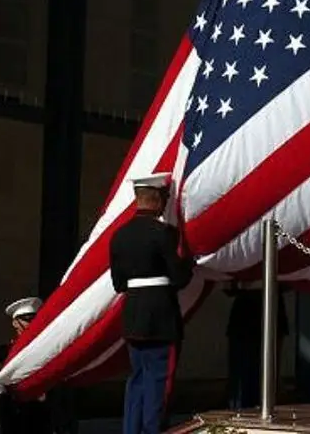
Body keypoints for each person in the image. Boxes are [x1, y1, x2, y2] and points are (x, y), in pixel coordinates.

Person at [109, 172, 196, 434]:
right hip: (160, 316)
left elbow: (118, 283)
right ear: (158, 199)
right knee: (159, 381)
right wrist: (189, 263)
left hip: (133, 314)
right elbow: (179, 278)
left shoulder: (119, 236)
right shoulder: (163, 234)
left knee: (137, 379)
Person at [223, 281, 290, 409]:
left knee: (268, 369)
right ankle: (240, 408)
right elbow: (228, 287)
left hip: (270, 312)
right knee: (241, 372)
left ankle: (264, 405)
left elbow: (292, 282)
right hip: (245, 316)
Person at [0, 297, 52, 434]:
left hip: (40, 416)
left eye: (34, 319)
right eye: (27, 319)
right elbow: (2, 386)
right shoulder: (5, 352)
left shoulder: (44, 349)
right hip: (16, 416)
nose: (31, 324)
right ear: (15, 322)